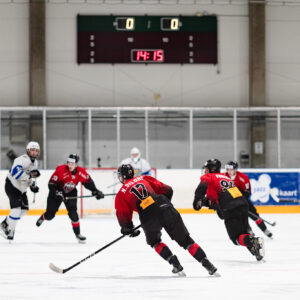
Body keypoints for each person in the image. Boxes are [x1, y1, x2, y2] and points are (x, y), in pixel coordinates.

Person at [115, 164, 218, 276]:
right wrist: (163, 205)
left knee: (155, 242)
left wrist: (129, 229)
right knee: (186, 241)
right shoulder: (144, 178)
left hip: (147, 215)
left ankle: (174, 263)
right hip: (163, 205)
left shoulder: (121, 193)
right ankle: (207, 264)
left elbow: (123, 217)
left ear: (122, 176)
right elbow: (168, 190)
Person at [193, 159, 265, 261]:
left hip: (231, 208)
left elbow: (204, 187)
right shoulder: (225, 178)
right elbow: (216, 200)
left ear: (212, 170)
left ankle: (254, 241)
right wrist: (206, 203)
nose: (205, 171)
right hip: (243, 205)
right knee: (243, 233)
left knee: (235, 239)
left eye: (206, 169)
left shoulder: (209, 177)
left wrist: (197, 200)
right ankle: (256, 250)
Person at [35, 154, 104, 243]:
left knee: (73, 214)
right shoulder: (60, 169)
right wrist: (57, 192)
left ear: (76, 164)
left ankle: (78, 234)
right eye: (69, 163)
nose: (70, 165)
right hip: (56, 192)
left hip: (71, 192)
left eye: (73, 163)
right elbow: (51, 183)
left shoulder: (81, 172)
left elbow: (88, 182)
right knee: (50, 215)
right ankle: (44, 217)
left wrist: (96, 191)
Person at [0, 141, 41, 241]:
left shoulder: (35, 163)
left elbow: (29, 178)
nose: (34, 152)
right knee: (16, 210)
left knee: (24, 211)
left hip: (21, 190)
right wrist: (30, 175)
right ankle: (10, 231)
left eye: (36, 151)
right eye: (32, 150)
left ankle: (4, 224)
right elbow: (15, 173)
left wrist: (32, 186)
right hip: (12, 186)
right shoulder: (20, 160)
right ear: (28, 151)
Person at [224, 161, 273, 238]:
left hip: (243, 201)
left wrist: (240, 199)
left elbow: (247, 191)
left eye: (231, 169)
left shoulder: (243, 177)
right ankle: (249, 231)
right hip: (231, 203)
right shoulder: (223, 177)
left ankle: (264, 229)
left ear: (235, 169)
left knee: (255, 216)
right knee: (241, 217)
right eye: (227, 169)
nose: (229, 171)